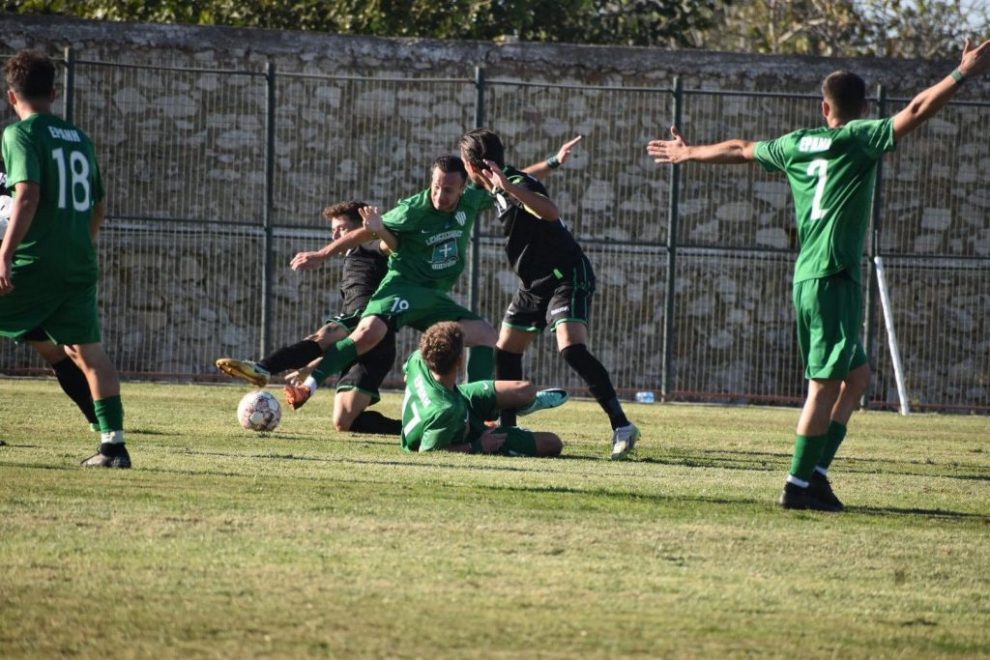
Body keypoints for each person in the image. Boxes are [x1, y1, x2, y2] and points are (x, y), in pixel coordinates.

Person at [646, 38, 990, 511]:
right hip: (831, 274)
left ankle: (817, 476)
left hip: (814, 275)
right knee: (824, 386)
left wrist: (689, 153)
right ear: (864, 107)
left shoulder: (795, 144)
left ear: (823, 106)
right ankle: (796, 485)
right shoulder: (860, 138)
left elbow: (741, 147)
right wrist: (962, 73)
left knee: (858, 377)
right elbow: (915, 109)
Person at [459, 129, 640, 460]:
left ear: (470, 165)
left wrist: (510, 188)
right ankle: (508, 431)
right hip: (533, 284)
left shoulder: (512, 184)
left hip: (566, 275)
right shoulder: (496, 183)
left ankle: (622, 425)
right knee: (506, 351)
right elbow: (532, 172)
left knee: (571, 349)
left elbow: (550, 211)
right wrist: (554, 161)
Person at [283, 155, 503, 410]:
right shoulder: (413, 209)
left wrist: (543, 167)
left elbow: (508, 183)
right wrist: (322, 254)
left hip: (431, 297)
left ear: (462, 189)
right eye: (435, 187)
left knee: (487, 335)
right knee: (367, 334)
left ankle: (478, 412)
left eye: (448, 190)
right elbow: (364, 233)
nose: (439, 195)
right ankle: (306, 387)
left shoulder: (470, 202)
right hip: (401, 287)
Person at [0, 50, 130, 467]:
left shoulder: (20, 134)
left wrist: (5, 254)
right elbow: (99, 205)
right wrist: (81, 244)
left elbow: (27, 194)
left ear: (10, 95)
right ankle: (113, 447)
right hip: (77, 262)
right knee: (91, 353)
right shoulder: (78, 138)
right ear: (54, 92)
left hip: (35, 259)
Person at [216, 200, 402, 434]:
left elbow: (392, 246)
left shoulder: (370, 244)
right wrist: (310, 369)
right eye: (332, 229)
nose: (335, 234)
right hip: (368, 349)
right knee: (345, 423)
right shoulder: (351, 257)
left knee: (325, 334)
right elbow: (342, 349)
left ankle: (263, 367)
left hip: (369, 322)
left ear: (359, 228)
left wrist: (377, 228)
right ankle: (416, 428)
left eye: (342, 228)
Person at [1, 166, 100, 432]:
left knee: (58, 351)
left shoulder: (19, 170)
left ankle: (97, 417)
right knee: (55, 352)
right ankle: (96, 418)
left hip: (14, 266)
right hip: (29, 267)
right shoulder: (23, 169)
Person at [401, 321, 564, 456]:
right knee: (553, 443)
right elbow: (428, 451)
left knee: (526, 390)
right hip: (466, 432)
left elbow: (407, 376)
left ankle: (522, 407)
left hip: (459, 396)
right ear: (459, 361)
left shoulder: (418, 359)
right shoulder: (446, 410)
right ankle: (507, 430)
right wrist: (478, 445)